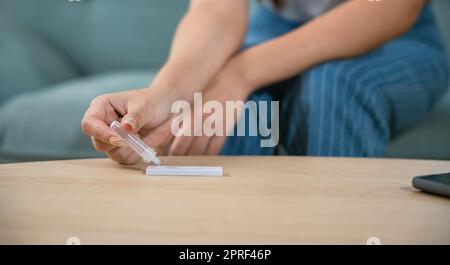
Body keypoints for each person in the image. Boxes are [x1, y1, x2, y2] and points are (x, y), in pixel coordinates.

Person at [81, 0, 448, 165]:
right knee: (226, 111)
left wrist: (239, 72)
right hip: (272, 31)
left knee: (333, 87)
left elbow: (390, 7)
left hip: (395, 36)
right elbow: (216, 9)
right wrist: (165, 94)